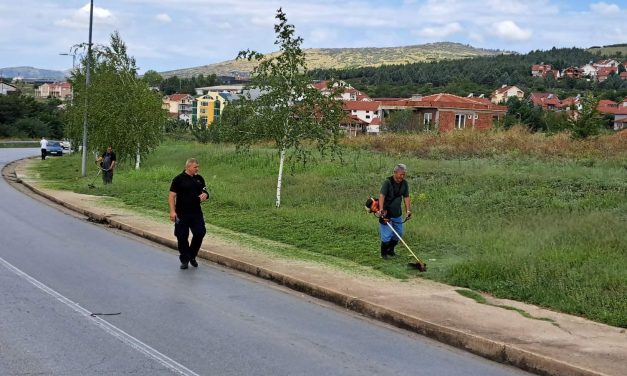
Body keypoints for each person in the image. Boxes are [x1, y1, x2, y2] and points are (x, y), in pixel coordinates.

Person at [168, 158, 209, 269]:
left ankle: (192, 255)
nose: (197, 169)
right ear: (188, 167)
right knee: (181, 236)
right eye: (195, 167)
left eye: (198, 166)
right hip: (181, 213)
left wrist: (205, 194)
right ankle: (185, 259)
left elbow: (205, 192)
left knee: (200, 233)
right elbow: (172, 196)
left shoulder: (199, 179)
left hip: (196, 213)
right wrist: (172, 211)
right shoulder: (178, 179)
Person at [377, 164, 412, 259]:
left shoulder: (404, 183)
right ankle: (383, 254)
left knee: (398, 234)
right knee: (387, 236)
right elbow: (382, 196)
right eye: (401, 174)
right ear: (395, 173)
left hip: (397, 214)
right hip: (386, 213)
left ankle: (390, 250)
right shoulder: (387, 182)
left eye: (404, 174)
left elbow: (406, 197)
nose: (402, 176)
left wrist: (408, 210)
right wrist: (381, 209)